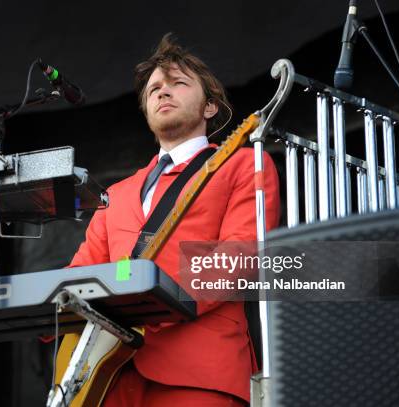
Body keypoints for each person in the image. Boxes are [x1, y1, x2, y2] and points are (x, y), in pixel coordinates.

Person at [68, 33, 280, 407]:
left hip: (199, 369)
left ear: (210, 107)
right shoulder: (115, 194)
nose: (163, 93)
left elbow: (241, 255)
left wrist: (156, 298)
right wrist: (46, 317)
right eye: (153, 90)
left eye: (178, 84)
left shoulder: (243, 163)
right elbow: (81, 275)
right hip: (111, 376)